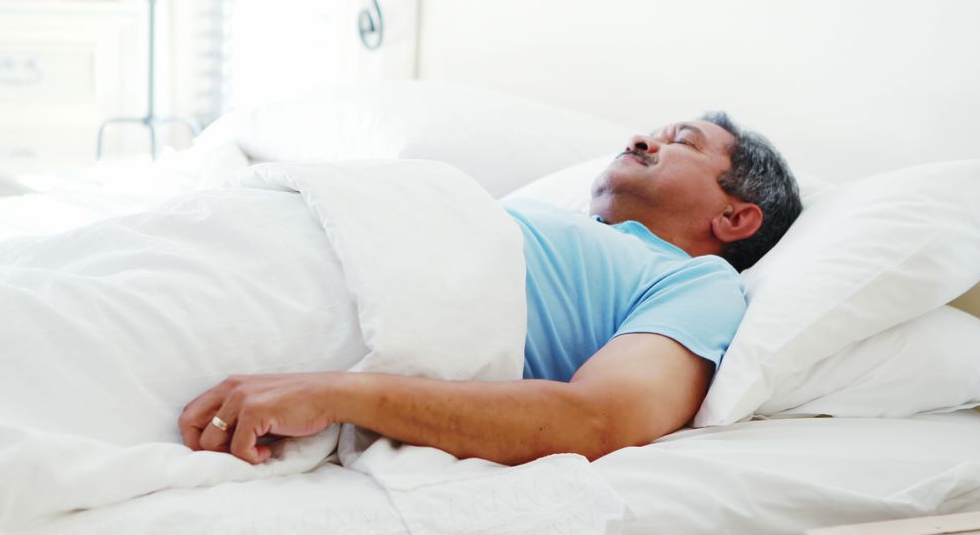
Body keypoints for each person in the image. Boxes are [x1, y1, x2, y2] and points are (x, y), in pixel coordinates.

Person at [178, 111, 803, 466]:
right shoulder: (532, 215)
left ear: (735, 217)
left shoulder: (697, 282)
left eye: (681, 142)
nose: (641, 139)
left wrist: (340, 394)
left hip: (296, 302)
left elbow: (602, 419)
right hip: (255, 235)